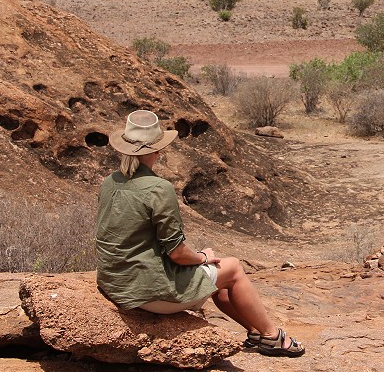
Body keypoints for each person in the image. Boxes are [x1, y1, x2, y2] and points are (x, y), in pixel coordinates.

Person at [96, 109, 304, 357]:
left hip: (115, 283)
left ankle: (256, 333)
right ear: (157, 150)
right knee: (234, 268)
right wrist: (202, 257)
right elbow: (178, 254)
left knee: (220, 282)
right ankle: (273, 336)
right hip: (147, 292)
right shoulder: (158, 188)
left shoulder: (111, 181)